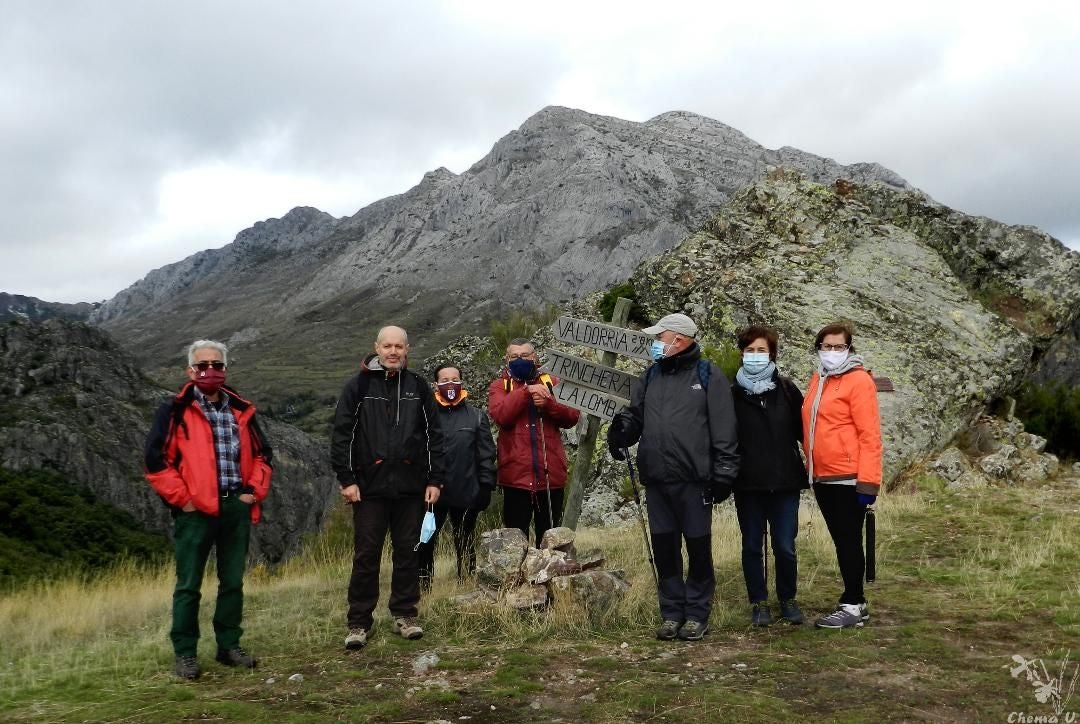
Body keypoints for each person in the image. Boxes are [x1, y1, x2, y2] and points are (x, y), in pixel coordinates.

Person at [144, 340, 273, 680]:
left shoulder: (241, 410)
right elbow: (156, 461)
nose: (210, 371)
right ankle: (185, 653)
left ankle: (228, 646)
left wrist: (252, 492)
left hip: (235, 507)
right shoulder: (174, 410)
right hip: (195, 511)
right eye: (203, 366)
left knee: (232, 581)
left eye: (217, 365)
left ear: (225, 370)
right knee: (189, 584)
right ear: (190, 371)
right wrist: (183, 500)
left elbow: (263, 456)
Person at [607, 313, 739, 641]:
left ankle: (696, 614)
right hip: (656, 479)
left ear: (677, 340)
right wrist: (621, 432)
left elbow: (724, 427)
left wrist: (724, 471)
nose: (655, 344)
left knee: (697, 548)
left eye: (659, 338)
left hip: (695, 481)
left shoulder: (709, 375)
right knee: (665, 550)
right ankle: (671, 613)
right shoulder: (650, 377)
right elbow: (635, 417)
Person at [330, 326, 445, 650]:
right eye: (387, 346)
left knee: (409, 553)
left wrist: (435, 480)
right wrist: (347, 479)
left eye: (398, 346)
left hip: (411, 487)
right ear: (376, 348)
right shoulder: (358, 386)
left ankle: (405, 615)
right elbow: (341, 435)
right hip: (368, 489)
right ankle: (358, 623)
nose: (393, 352)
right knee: (366, 556)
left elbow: (435, 435)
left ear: (407, 349)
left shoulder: (419, 387)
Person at [802, 321, 883, 629]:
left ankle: (853, 603)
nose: (832, 352)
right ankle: (854, 601)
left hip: (848, 477)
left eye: (839, 346)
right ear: (818, 349)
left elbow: (870, 435)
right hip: (823, 476)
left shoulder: (858, 381)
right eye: (826, 346)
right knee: (842, 539)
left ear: (850, 349)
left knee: (848, 539)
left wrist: (868, 481)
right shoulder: (819, 379)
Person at [730, 325, 806, 627]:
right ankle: (758, 602)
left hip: (785, 483)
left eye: (761, 350)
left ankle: (788, 598)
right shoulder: (731, 394)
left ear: (771, 353)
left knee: (785, 546)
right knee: (751, 546)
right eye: (750, 350)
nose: (756, 356)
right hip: (747, 485)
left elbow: (805, 434)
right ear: (742, 354)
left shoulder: (787, 390)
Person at [487, 337, 580, 547]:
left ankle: (550, 579)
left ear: (535, 356)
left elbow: (572, 417)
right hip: (515, 479)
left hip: (550, 478)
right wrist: (526, 392)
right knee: (514, 543)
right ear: (507, 359)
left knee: (550, 543)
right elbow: (501, 415)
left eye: (525, 355)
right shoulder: (499, 386)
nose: (520, 359)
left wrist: (548, 404)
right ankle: (516, 580)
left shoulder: (552, 382)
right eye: (514, 356)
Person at [417, 364, 497, 589]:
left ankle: (467, 583)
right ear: (436, 385)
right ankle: (423, 586)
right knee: (425, 540)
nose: (449, 384)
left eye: (454, 379)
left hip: (466, 491)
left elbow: (486, 455)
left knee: (465, 540)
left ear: (461, 382)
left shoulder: (476, 416)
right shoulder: (425, 416)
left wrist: (485, 487)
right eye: (444, 380)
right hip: (432, 493)